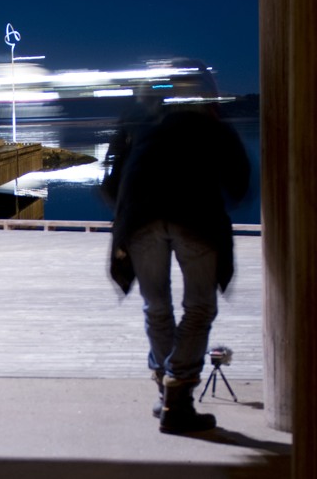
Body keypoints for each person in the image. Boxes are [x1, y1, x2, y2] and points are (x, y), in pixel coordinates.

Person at [101, 93, 250, 434]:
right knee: (199, 307)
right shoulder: (211, 123)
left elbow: (110, 183)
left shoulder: (137, 122)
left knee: (156, 306)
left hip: (140, 216)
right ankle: (178, 398)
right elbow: (238, 183)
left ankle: (166, 395)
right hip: (194, 214)